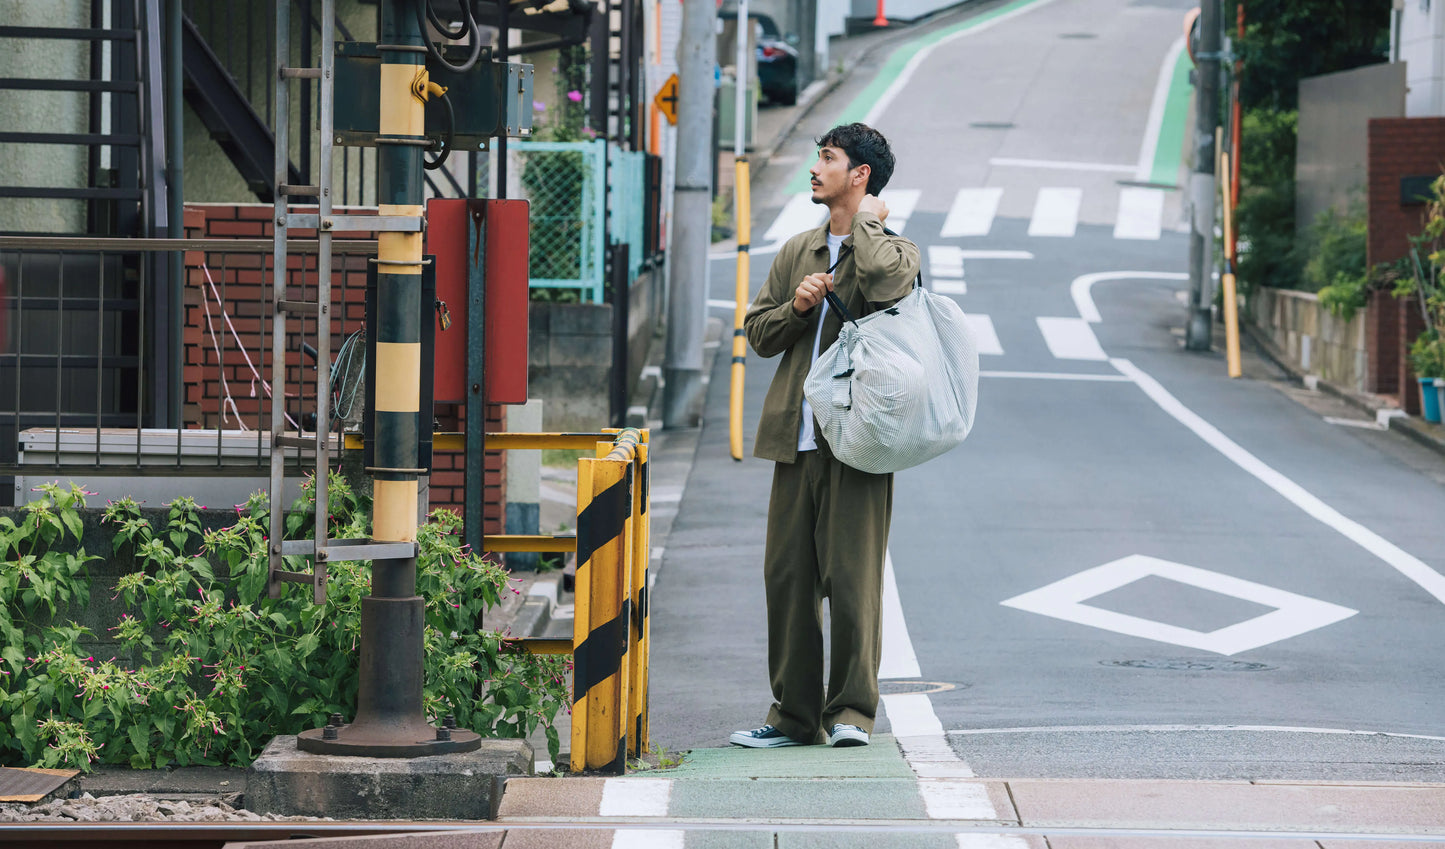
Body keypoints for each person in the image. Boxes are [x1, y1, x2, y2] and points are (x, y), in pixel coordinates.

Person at [733, 123, 920, 749]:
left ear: (859, 175)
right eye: (819, 155)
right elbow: (758, 334)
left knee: (853, 581)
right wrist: (799, 308)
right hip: (796, 437)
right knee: (788, 579)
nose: (815, 167)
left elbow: (891, 287)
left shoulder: (893, 250)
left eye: (829, 158)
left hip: (860, 440)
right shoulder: (797, 251)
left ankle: (852, 715)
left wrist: (866, 225)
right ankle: (794, 716)